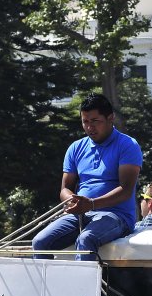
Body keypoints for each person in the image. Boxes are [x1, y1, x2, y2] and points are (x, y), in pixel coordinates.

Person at [32, 93, 143, 261]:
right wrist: (72, 200)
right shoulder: (75, 148)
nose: (90, 127)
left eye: (95, 121)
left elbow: (126, 190)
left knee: (86, 239)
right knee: (39, 242)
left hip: (117, 216)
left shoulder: (128, 145)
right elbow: (65, 188)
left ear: (110, 118)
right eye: (85, 122)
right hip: (80, 213)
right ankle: (46, 288)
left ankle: (83, 287)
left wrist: (91, 204)